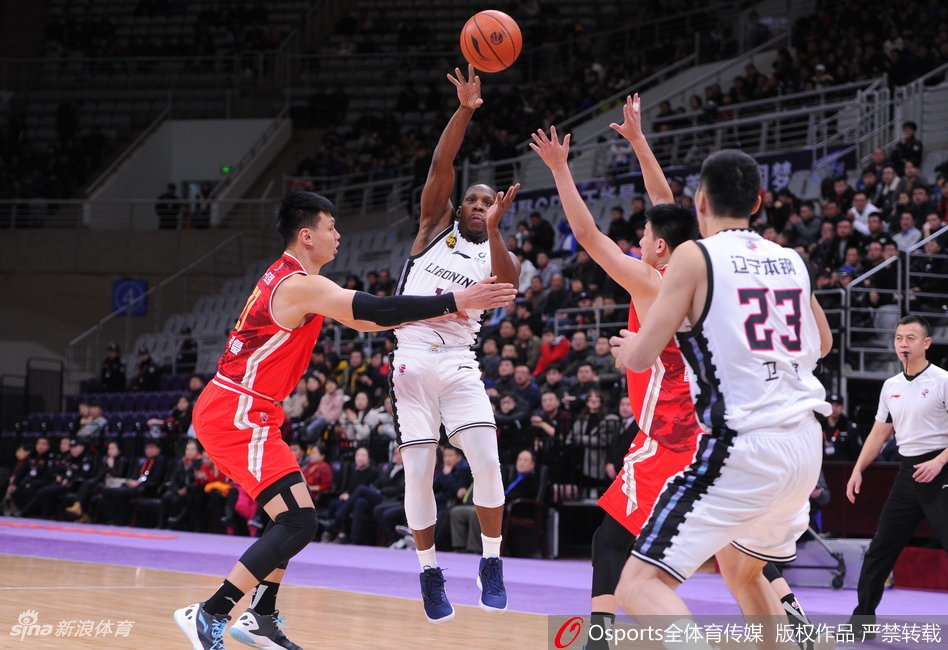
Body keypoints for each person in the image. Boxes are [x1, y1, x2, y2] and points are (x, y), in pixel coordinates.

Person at [172, 189, 515, 649]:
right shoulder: (298, 285)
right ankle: (211, 611)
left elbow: (369, 322)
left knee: (289, 517)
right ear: (306, 235)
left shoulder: (298, 280)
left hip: (247, 409)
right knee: (299, 521)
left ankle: (262, 616)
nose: (339, 235)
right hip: (236, 410)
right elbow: (376, 310)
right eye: (331, 227)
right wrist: (456, 299)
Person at [532, 99, 819, 648]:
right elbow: (668, 206)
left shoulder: (654, 278)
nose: (638, 240)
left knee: (618, 543)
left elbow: (589, 237)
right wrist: (640, 144)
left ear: (659, 245)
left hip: (676, 431)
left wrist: (561, 170)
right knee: (738, 555)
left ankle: (600, 634)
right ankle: (787, 610)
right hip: (768, 426)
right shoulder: (718, 262)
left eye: (643, 236)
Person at [609, 148, 832, 649]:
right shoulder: (792, 259)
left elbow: (642, 358)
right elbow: (824, 343)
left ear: (701, 201)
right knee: (742, 569)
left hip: (744, 445)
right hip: (804, 446)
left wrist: (627, 349)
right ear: (758, 201)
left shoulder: (694, 256)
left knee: (639, 586)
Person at [388, 65, 521, 624]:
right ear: (458, 207)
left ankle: (491, 562)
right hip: (413, 356)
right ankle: (429, 572)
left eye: (488, 202)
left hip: (461, 362)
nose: (479, 205)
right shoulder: (431, 229)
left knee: (487, 463)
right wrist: (465, 110)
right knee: (418, 472)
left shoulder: (496, 251)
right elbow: (441, 165)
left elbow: (508, 286)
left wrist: (497, 231)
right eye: (472, 200)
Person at [847, 316, 948, 639]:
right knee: (880, 549)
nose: (903, 344)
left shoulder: (943, 380)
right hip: (907, 474)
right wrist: (857, 469)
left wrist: (939, 461)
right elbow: (879, 433)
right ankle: (862, 621)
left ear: (926, 343)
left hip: (941, 470)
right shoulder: (890, 386)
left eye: (911, 338)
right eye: (899, 338)